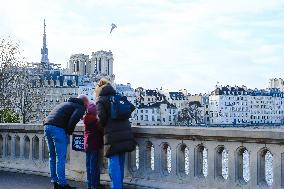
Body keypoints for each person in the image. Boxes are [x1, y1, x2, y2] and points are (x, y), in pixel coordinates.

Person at [95, 79, 136, 189]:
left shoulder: (101, 100)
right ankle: (119, 185)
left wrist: (103, 125)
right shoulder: (119, 96)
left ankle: (116, 187)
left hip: (112, 135)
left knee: (113, 165)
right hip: (125, 132)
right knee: (120, 163)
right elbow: (131, 107)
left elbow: (101, 118)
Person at [44, 95, 89, 189]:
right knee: (60, 157)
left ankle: (55, 182)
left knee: (52, 156)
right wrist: (68, 133)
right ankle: (63, 184)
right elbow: (72, 121)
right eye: (87, 104)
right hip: (58, 129)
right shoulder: (80, 107)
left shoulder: (66, 103)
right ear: (84, 103)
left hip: (47, 126)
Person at [83, 101, 104, 189]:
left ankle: (89, 184)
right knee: (94, 166)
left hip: (87, 144)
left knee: (88, 165)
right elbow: (101, 131)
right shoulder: (96, 121)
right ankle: (95, 185)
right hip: (94, 144)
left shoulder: (85, 119)